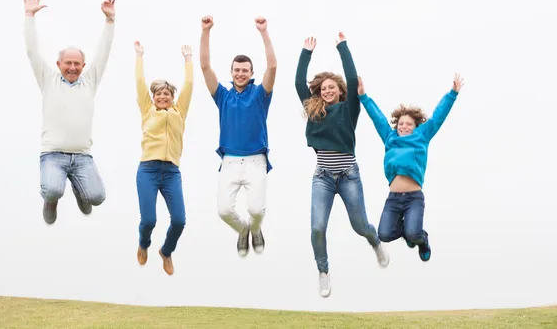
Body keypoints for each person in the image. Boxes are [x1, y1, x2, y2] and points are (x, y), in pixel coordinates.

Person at [295, 34, 389, 298]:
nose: (327, 91)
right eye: (323, 88)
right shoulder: (314, 110)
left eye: (331, 88)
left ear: (339, 91)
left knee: (360, 225)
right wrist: (306, 53)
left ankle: (374, 241)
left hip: (349, 175)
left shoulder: (349, 109)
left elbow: (350, 77)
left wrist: (342, 47)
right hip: (322, 177)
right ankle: (323, 272)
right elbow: (297, 82)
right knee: (317, 228)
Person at [23, 0, 115, 225]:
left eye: (77, 64)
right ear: (59, 65)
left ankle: (79, 188)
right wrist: (29, 16)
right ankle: (50, 200)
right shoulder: (49, 80)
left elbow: (103, 53)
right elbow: (32, 51)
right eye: (68, 63)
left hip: (82, 157)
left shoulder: (89, 81)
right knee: (53, 189)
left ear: (83, 66)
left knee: (97, 198)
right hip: (53, 155)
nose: (72, 67)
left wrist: (109, 21)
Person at [357, 73, 464, 263]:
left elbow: (438, 117)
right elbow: (378, 118)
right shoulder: (390, 138)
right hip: (393, 199)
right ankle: (409, 232)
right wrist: (363, 96)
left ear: (416, 126)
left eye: (409, 124)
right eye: (401, 123)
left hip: (414, 198)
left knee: (414, 234)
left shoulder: (421, 136)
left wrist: (452, 94)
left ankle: (421, 239)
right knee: (384, 234)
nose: (404, 127)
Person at [199, 15, 277, 257]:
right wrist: (206, 31)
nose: (241, 73)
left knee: (256, 210)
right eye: (237, 70)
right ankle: (244, 230)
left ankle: (255, 228)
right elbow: (204, 66)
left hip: (256, 161)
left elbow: (272, 67)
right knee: (223, 211)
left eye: (245, 70)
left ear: (251, 72)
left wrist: (264, 32)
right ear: (231, 72)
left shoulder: (260, 93)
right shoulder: (223, 96)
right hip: (230, 161)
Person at [133, 41, 194, 276]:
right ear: (153, 97)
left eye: (166, 93)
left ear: (172, 97)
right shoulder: (147, 110)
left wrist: (188, 59)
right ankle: (144, 244)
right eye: (158, 93)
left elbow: (189, 84)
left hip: (171, 172)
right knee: (149, 220)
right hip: (148, 170)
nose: (162, 96)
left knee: (179, 220)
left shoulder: (179, 112)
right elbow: (139, 83)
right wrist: (139, 56)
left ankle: (166, 251)